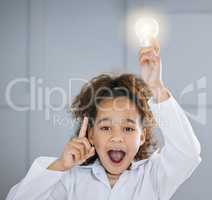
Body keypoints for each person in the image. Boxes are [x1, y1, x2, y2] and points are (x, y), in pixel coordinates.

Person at [6, 39, 201, 200]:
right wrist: (60, 166)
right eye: (106, 128)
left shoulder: (154, 176)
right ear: (91, 134)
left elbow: (188, 153)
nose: (117, 137)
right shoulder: (69, 178)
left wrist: (156, 86)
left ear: (142, 137)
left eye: (128, 129)